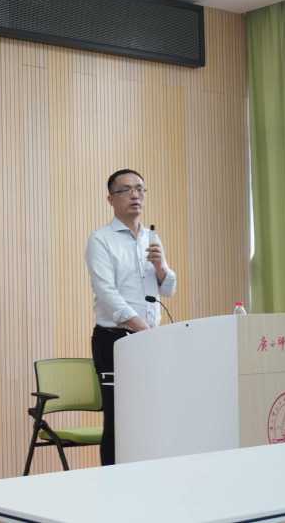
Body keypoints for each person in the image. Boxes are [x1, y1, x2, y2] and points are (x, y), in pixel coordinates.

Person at [85, 168, 177, 466]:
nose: (135, 195)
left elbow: (168, 289)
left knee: (150, 417)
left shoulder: (151, 237)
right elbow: (107, 294)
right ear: (110, 199)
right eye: (126, 190)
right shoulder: (101, 240)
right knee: (118, 420)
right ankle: (112, 487)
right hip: (115, 341)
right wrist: (143, 330)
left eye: (140, 188)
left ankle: (147, 481)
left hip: (148, 339)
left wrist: (161, 267)